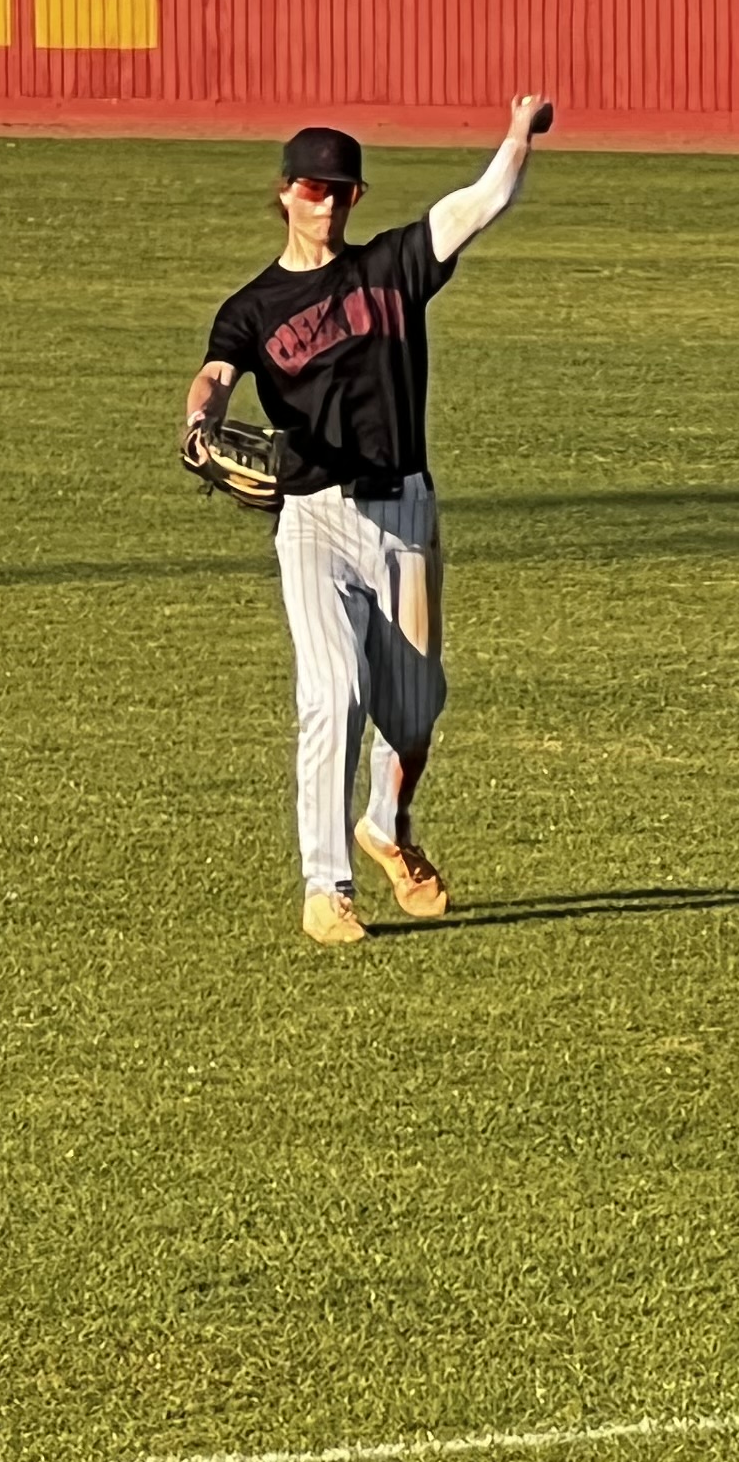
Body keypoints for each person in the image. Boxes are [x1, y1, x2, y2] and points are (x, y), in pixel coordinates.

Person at [187, 97, 550, 943]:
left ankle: (386, 823)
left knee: (416, 714)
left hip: (405, 516)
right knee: (334, 692)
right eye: (314, 187)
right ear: (284, 193)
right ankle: (326, 887)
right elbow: (213, 376)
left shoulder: (392, 267)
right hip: (311, 519)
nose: (327, 202)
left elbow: (477, 206)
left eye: (342, 191)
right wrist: (197, 421)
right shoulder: (253, 307)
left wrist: (514, 138)